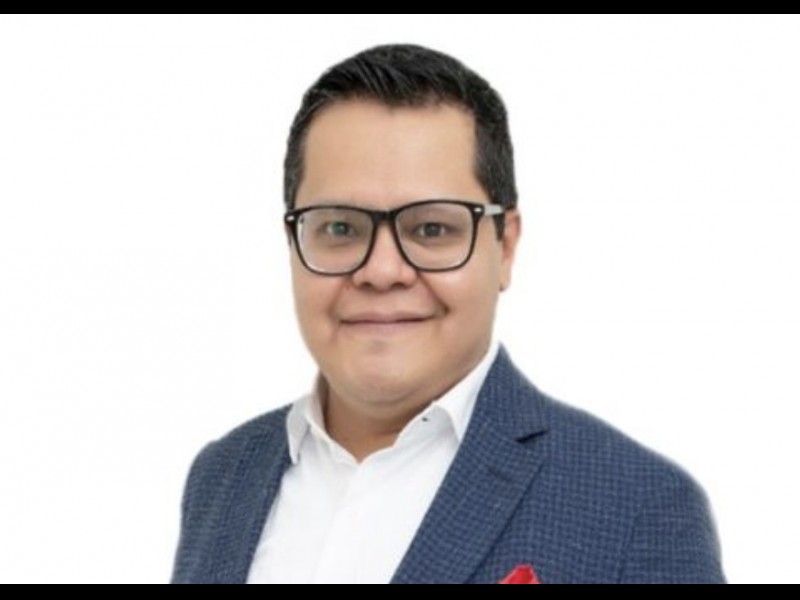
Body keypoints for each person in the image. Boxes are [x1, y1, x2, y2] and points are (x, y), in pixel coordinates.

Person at [170, 43, 725, 584]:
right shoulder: (223, 477)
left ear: (505, 245)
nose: (382, 271)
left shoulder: (638, 509)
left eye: (431, 228)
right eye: (340, 227)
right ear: (293, 243)